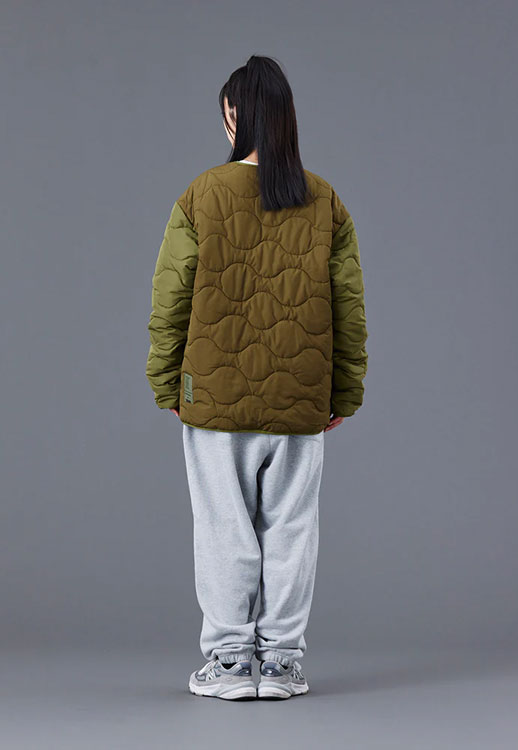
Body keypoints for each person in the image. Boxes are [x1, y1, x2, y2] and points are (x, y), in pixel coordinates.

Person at [146, 55, 368, 700]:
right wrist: (345, 392)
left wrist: (167, 382)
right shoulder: (325, 200)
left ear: (235, 116)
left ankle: (227, 663)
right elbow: (349, 306)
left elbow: (170, 299)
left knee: (224, 528)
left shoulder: (201, 194)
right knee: (292, 529)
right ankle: (280, 664)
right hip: (301, 398)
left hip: (214, 398)